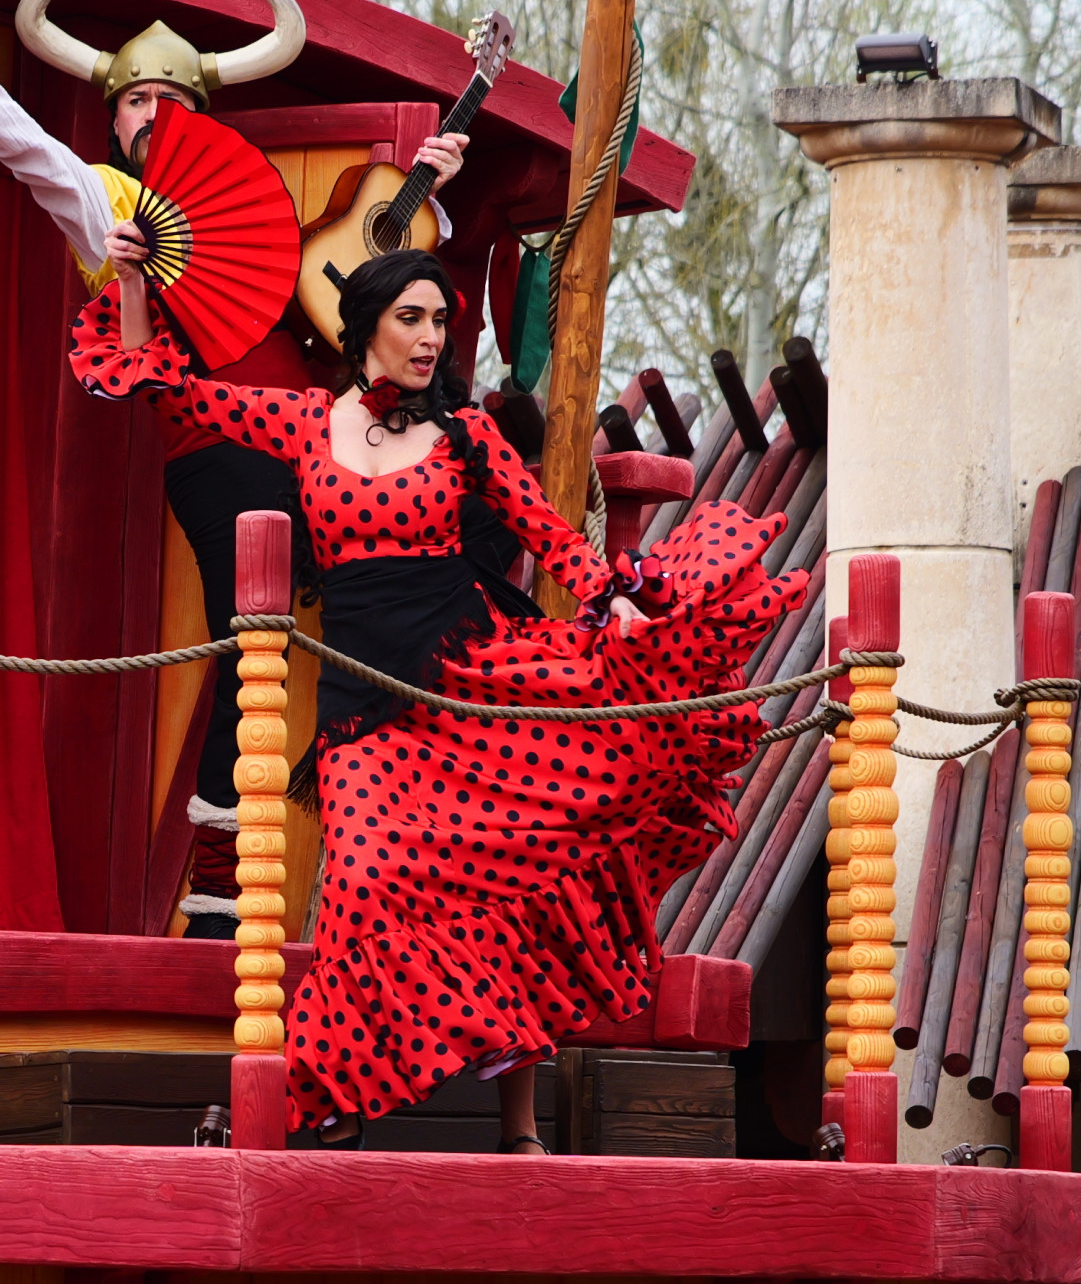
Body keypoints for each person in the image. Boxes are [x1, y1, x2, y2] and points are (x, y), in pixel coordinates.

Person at [70, 247, 800, 1147]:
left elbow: (554, 540)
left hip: (477, 687)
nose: (427, 339)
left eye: (439, 323)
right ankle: (333, 1092)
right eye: (410, 319)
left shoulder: (465, 435)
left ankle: (517, 1124)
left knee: (513, 874)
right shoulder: (303, 422)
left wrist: (619, 601)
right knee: (369, 878)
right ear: (366, 325)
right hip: (362, 710)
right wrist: (136, 285)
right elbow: (171, 392)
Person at [0, 0, 459, 935]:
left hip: (317, 439)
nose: (154, 114)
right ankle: (222, 889)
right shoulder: (109, 201)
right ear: (114, 121)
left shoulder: (258, 202)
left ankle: (396, 863)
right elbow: (28, 154)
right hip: (215, 446)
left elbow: (381, 300)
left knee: (396, 601)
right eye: (138, 100)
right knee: (252, 624)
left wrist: (439, 179)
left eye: (174, 101)